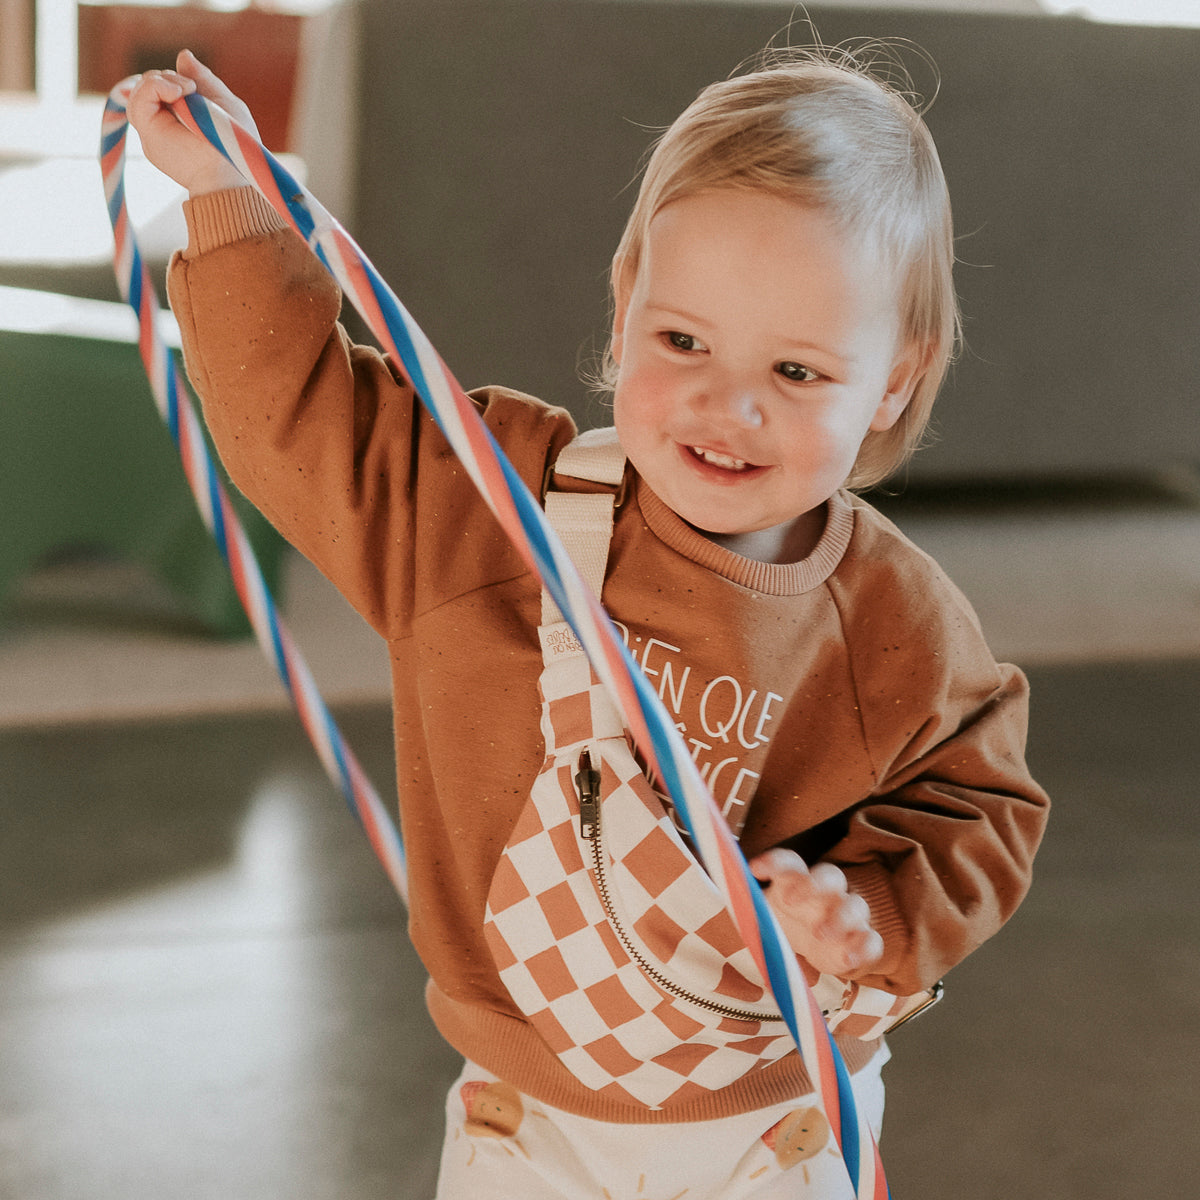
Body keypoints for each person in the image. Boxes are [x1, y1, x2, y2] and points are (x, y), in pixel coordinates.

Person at [128, 43, 1049, 1199]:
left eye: (801, 371)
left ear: (896, 382)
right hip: (529, 1122)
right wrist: (225, 199)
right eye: (682, 342)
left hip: (771, 1120)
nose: (730, 402)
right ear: (624, 315)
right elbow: (300, 421)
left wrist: (864, 909)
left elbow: (983, 806)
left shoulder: (894, 623)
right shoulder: (489, 510)